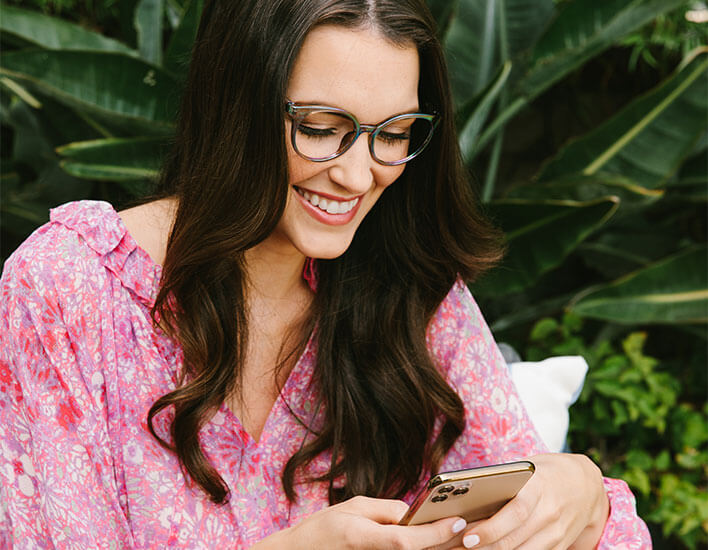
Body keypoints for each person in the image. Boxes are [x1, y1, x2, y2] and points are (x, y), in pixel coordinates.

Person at [0, 1, 651, 548]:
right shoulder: (69, 287)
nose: (359, 174)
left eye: (394, 133)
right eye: (320, 127)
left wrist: (584, 495)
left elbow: (564, 510)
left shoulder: (407, 286)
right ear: (235, 104)